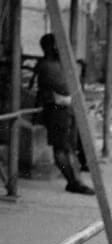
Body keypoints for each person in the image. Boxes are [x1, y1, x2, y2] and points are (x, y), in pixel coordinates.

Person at [35, 33, 94, 195]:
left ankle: (75, 179)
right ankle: (73, 181)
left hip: (65, 109)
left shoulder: (58, 64)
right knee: (62, 148)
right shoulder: (47, 66)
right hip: (56, 110)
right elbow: (67, 87)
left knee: (68, 147)